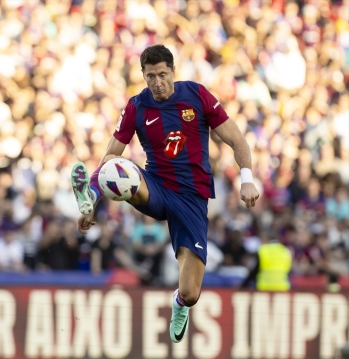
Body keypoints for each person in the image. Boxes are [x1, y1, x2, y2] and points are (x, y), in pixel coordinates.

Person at [71, 45, 259, 343]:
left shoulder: (197, 96)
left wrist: (247, 178)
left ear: (172, 71)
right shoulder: (137, 105)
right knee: (116, 168)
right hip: (155, 186)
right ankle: (89, 198)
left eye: (161, 74)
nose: (156, 82)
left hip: (192, 198)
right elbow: (109, 155)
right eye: (150, 76)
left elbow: (236, 139)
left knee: (191, 292)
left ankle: (179, 304)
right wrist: (92, 200)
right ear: (143, 76)